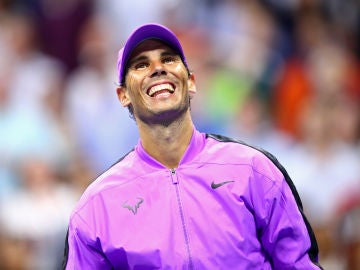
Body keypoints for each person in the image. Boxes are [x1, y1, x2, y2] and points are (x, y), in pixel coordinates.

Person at [62, 23, 323, 269]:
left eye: (168, 59)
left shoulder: (254, 170)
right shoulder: (97, 206)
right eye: (141, 64)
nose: (158, 68)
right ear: (123, 95)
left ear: (192, 82)